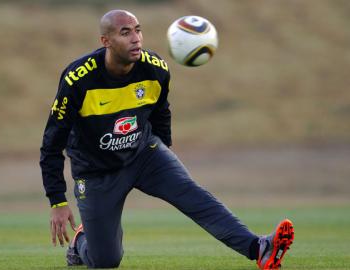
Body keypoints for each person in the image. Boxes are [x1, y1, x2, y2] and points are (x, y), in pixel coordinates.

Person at [40, 9, 294, 269]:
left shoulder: (155, 69)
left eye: (138, 30)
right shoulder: (77, 79)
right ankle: (82, 242)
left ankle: (260, 248)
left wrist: (164, 154)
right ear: (105, 41)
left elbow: (161, 113)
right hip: (96, 172)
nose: (136, 38)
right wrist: (57, 201)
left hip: (144, 154)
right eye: (125, 32)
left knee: (193, 195)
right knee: (106, 260)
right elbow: (51, 143)